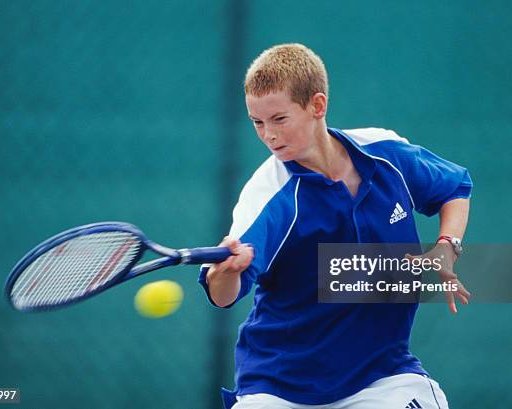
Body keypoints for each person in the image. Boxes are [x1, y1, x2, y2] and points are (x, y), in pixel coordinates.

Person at [198, 43, 472, 409]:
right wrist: (226, 270)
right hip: (279, 388)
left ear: (317, 105)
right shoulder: (268, 197)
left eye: (279, 119)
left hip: (381, 376)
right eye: (257, 123)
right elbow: (223, 294)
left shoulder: (384, 153)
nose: (268, 135)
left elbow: (454, 188)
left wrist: (447, 244)